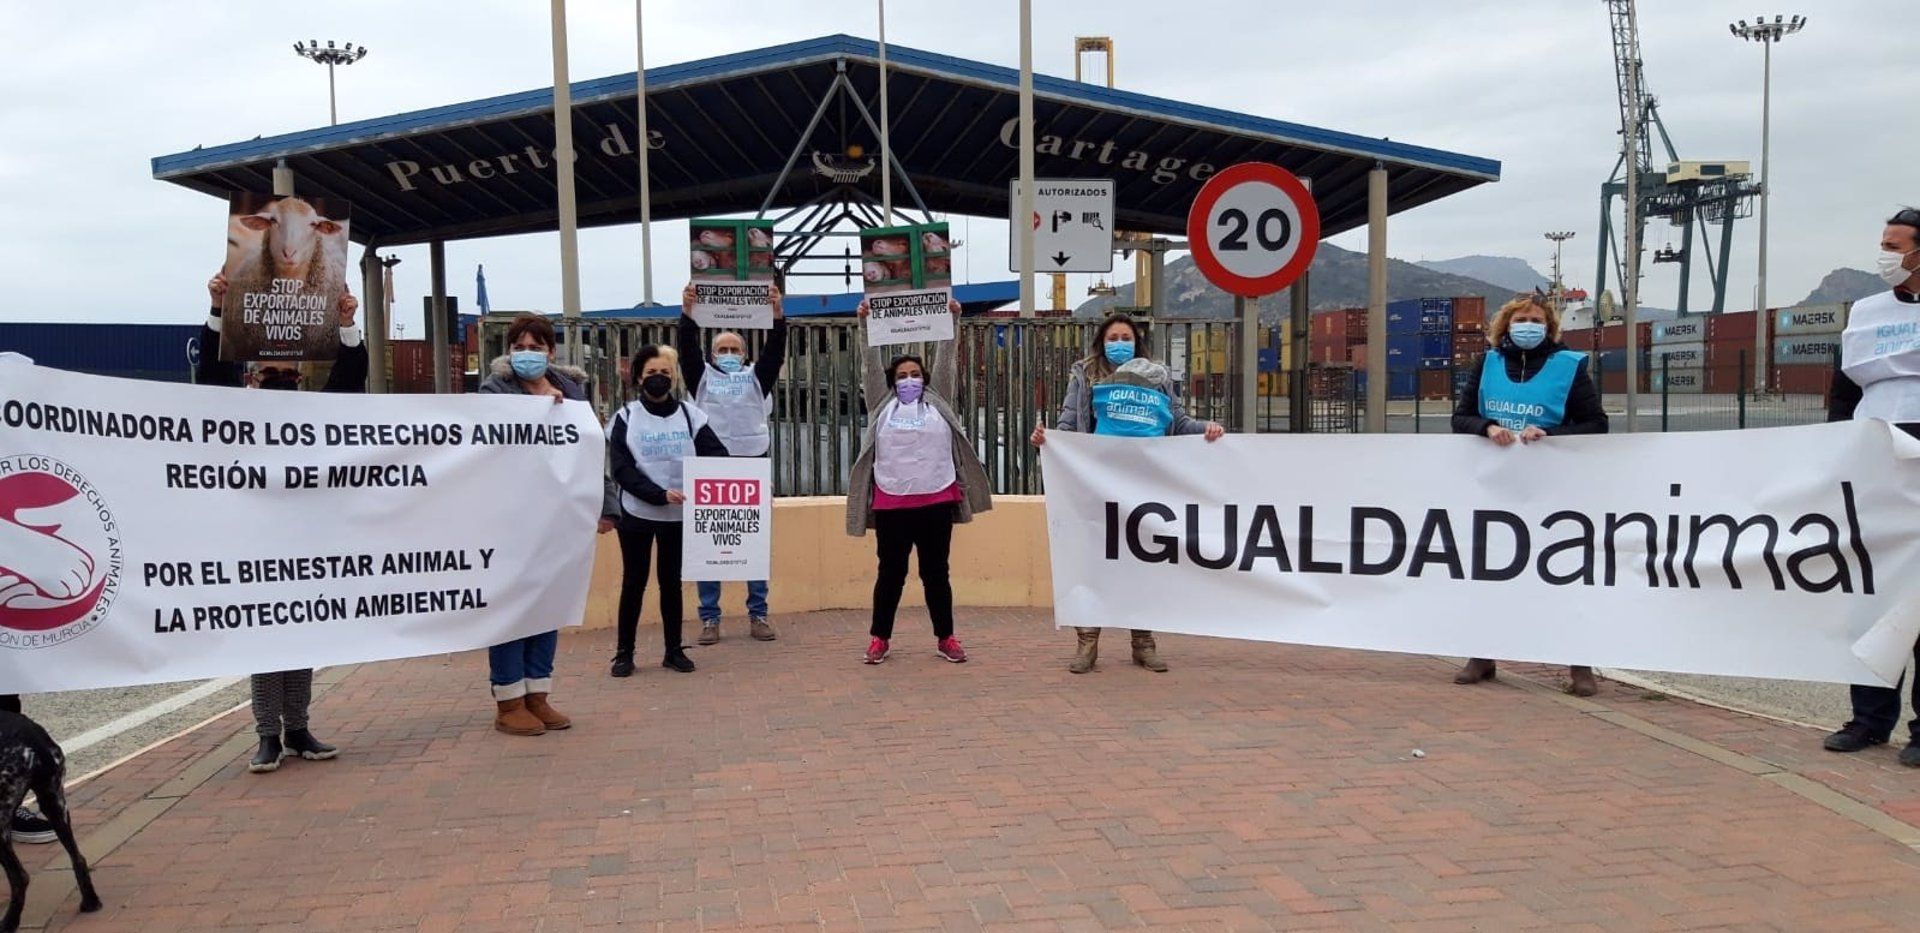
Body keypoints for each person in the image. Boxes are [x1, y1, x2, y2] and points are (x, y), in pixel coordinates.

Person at [202, 271, 366, 772]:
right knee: (265, 638)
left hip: (305, 542)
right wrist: (217, 308)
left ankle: (298, 727)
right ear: (250, 378)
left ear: (302, 379)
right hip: (255, 544)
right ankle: (266, 735)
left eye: (289, 375)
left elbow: (351, 376)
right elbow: (208, 375)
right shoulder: (232, 415)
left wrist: (346, 323)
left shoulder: (315, 413)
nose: (281, 382)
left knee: (300, 638)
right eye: (270, 374)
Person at [1030, 314, 1224, 673]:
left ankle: (1143, 642)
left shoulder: (1158, 378)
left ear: (1137, 343)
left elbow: (1178, 423)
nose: (1120, 343)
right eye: (1113, 337)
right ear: (1101, 343)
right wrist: (1049, 440)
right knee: (1092, 564)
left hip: (1144, 485)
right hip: (1096, 485)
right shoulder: (1084, 375)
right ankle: (1087, 643)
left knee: (1143, 561)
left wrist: (1206, 428)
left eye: (1127, 338)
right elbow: (1069, 425)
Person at [1449, 292, 1609, 696]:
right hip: (1496, 488)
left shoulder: (1568, 368)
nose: (1528, 326)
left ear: (1549, 327)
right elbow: (1460, 417)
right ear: (1506, 325)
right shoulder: (1487, 365)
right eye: (1521, 319)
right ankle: (1482, 656)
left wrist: (1551, 433)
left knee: (1565, 575)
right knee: (1491, 572)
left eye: (1536, 320)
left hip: (1554, 491)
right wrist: (1485, 427)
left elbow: (1596, 424)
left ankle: (1579, 665)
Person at [477, 313, 621, 736]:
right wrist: (534, 410)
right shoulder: (493, 392)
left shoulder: (574, 393)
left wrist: (605, 505)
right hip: (510, 521)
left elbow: (591, 454)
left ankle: (538, 695)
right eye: (518, 347)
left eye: (535, 347)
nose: (526, 355)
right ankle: (508, 701)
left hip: (557, 523)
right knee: (512, 609)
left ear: (551, 351)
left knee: (548, 604)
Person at [1823, 207, 1920, 766]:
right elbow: (1843, 388)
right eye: (1882, 242)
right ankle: (1868, 719)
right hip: (1875, 454)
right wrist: (1838, 447)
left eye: (1894, 244)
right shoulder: (1865, 311)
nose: (1884, 253)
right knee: (1871, 591)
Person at [848, 298, 992, 665]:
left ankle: (946, 637)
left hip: (936, 502)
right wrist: (864, 325)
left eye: (915, 374)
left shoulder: (937, 399)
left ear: (925, 379)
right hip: (892, 504)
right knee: (890, 575)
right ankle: (880, 638)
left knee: (936, 574)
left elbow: (948, 357)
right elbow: (869, 363)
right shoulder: (881, 404)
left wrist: (954, 318)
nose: (909, 380)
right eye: (901, 375)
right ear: (891, 382)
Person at [676, 280, 788, 645]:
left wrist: (777, 314)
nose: (728, 352)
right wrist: (687, 313)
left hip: (751, 468)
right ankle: (709, 618)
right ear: (712, 354)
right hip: (712, 469)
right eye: (722, 348)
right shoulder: (702, 378)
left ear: (744, 353)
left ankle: (758, 613)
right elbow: (686, 350)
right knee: (711, 542)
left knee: (753, 542)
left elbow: (775, 351)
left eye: (734, 348)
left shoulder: (757, 378)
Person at [607, 345, 730, 677]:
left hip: (678, 516)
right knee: (634, 582)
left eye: (665, 373)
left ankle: (673, 650)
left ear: (674, 377)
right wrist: (659, 494)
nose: (658, 379)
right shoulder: (625, 417)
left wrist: (702, 484)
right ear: (637, 378)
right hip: (636, 514)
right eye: (651, 374)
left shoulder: (691, 416)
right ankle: (624, 653)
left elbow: (717, 454)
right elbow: (622, 470)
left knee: (671, 583)